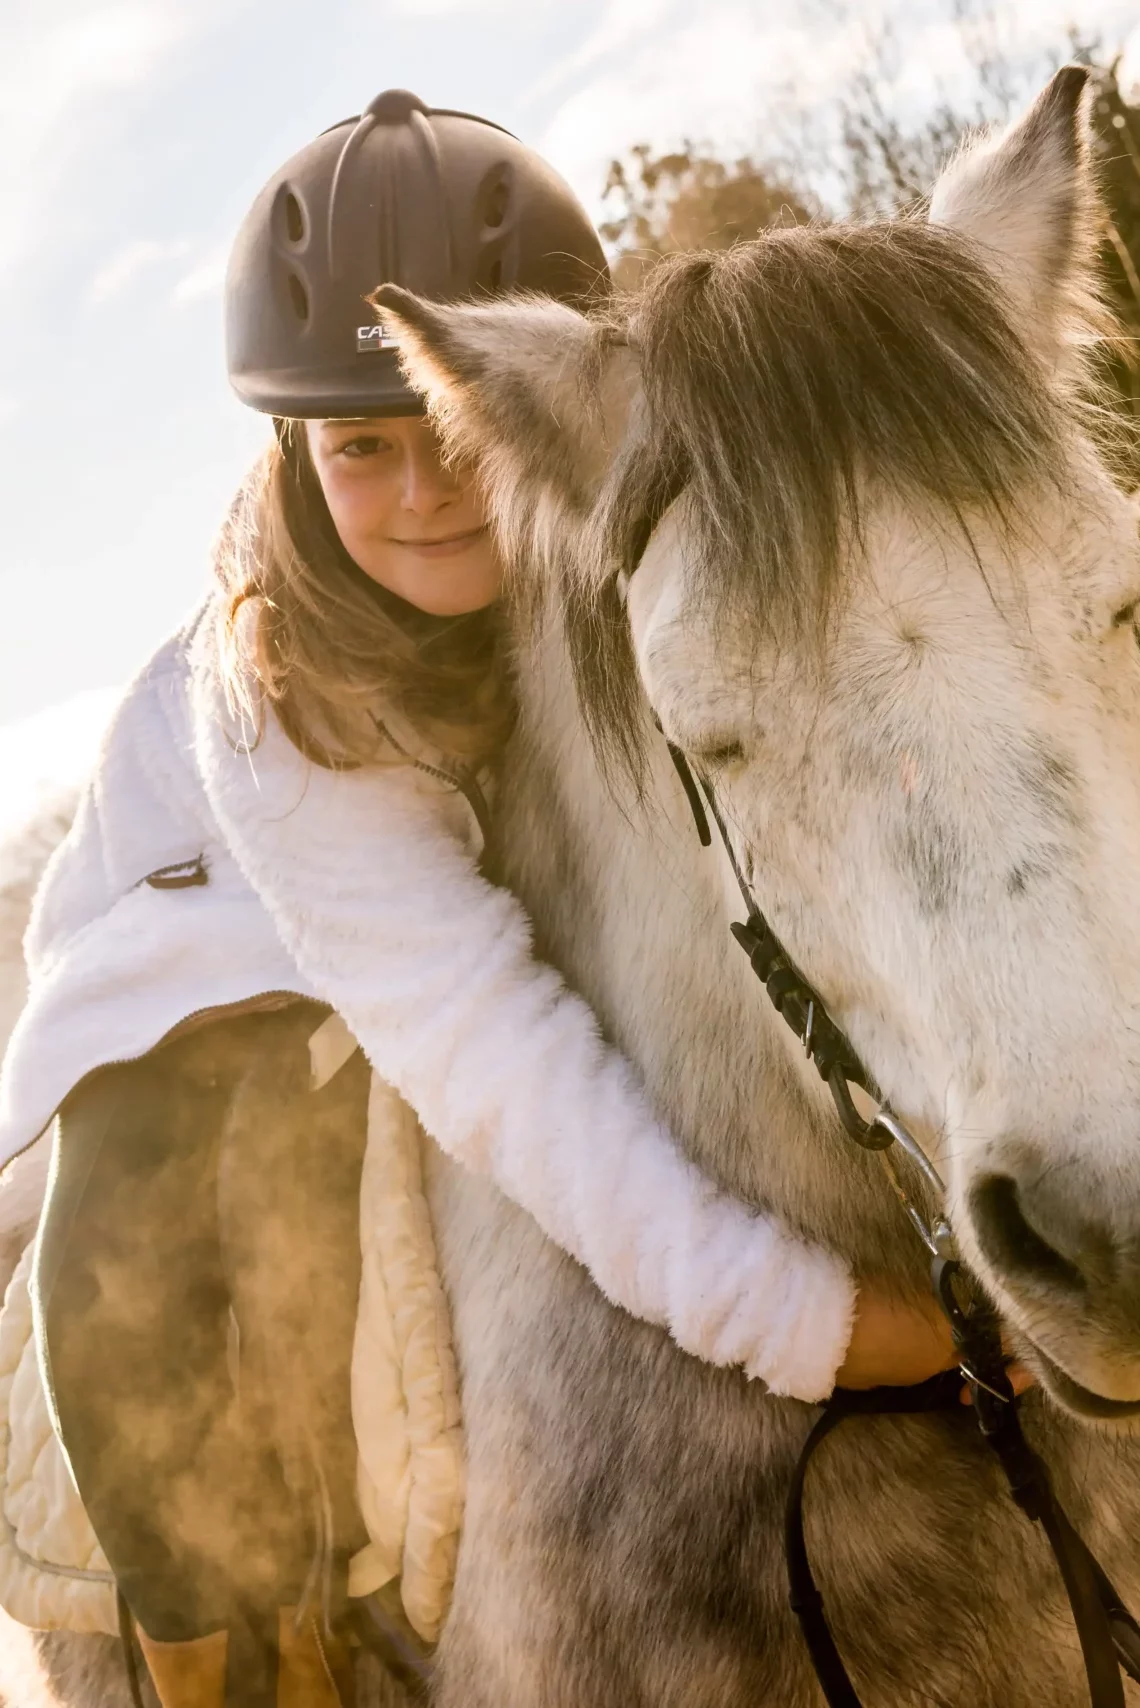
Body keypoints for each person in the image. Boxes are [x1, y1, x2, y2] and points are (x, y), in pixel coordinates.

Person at [0, 91, 972, 1708]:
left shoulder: (631, 530)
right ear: (294, 455)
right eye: (359, 449)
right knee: (135, 1251)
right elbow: (498, 1061)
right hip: (206, 968)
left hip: (486, 896)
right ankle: (227, 1659)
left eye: (456, 431)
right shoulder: (266, 705)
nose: (430, 491)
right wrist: (799, 1321)